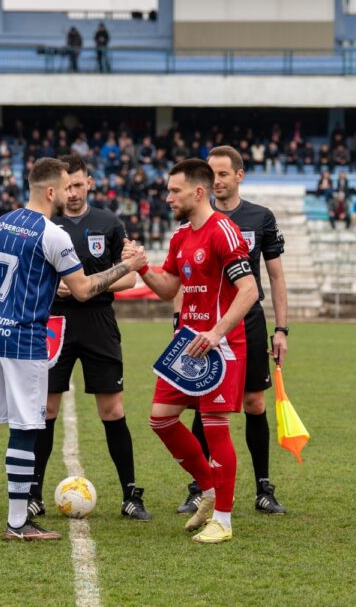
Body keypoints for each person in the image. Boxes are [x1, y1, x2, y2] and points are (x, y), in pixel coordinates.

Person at [0, 157, 146, 541]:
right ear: (51, 191)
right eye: (65, 186)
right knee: (26, 426)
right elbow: (83, 289)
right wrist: (127, 265)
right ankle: (18, 523)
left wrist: (22, 293)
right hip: (24, 339)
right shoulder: (53, 235)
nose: (70, 193)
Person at [132, 158, 258, 544]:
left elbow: (249, 290)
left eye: (175, 191)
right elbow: (169, 288)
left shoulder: (224, 232)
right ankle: (208, 488)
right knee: (160, 419)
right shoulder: (181, 236)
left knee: (216, 427)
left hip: (221, 348)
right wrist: (142, 268)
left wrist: (217, 332)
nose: (168, 198)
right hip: (188, 347)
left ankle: (223, 519)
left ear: (198, 192)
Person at [25, 155, 149, 522]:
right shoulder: (46, 224)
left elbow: (130, 276)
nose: (74, 193)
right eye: (68, 187)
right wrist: (55, 288)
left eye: (79, 185)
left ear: (90, 183)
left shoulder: (109, 223)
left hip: (98, 322)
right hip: (54, 323)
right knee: (46, 409)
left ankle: (130, 495)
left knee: (112, 409)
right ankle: (33, 494)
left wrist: (86, 287)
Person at [171, 147, 289, 520]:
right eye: (212, 174)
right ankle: (199, 489)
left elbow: (275, 276)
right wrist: (178, 322)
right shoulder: (194, 218)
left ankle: (264, 488)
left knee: (254, 403)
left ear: (239, 175)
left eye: (223, 173)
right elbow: (181, 276)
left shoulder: (260, 217)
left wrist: (281, 329)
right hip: (201, 324)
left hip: (246, 321)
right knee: (201, 402)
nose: (217, 180)